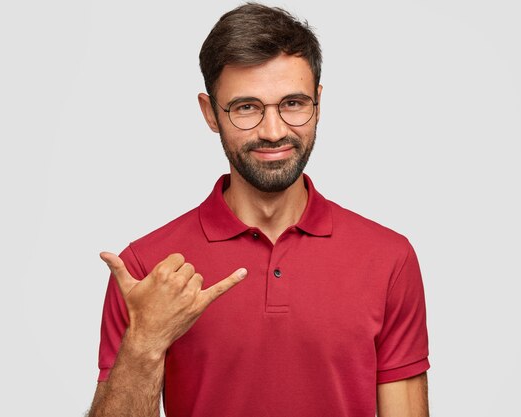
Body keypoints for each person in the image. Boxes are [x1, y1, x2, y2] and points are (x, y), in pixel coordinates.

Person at [88, 3, 430, 417]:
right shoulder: (147, 268)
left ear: (318, 104)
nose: (273, 131)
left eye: (292, 104)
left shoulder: (388, 258)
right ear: (211, 112)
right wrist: (144, 341)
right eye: (246, 107)